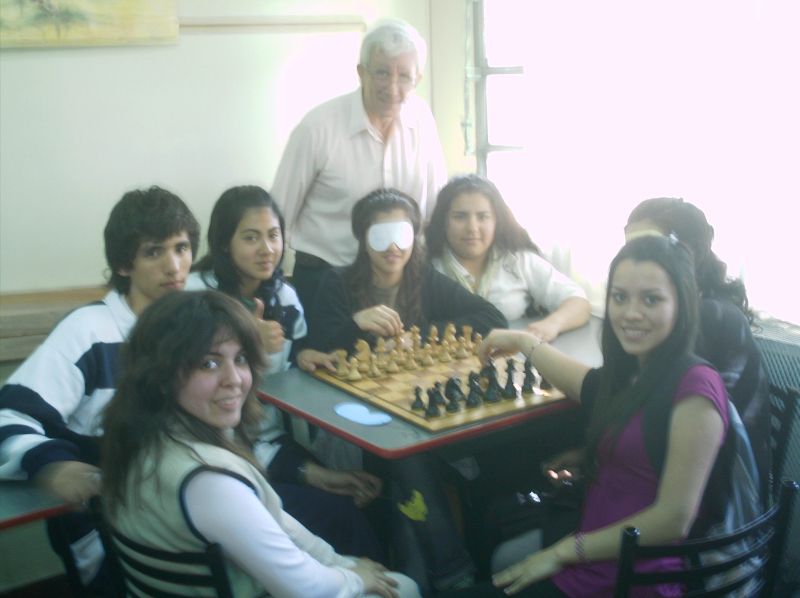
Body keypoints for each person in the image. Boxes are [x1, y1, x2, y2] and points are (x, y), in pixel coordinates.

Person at [447, 235, 732, 597]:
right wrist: (523, 342)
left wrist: (562, 552)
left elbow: (674, 519)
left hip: (632, 579)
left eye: (651, 299)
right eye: (620, 297)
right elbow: (584, 384)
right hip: (592, 552)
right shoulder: (636, 371)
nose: (631, 313)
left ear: (683, 304)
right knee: (496, 522)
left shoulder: (695, 387)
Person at [101, 290, 420, 598]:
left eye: (240, 359)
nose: (235, 379)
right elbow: (306, 589)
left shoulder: (141, 437)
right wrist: (355, 578)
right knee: (403, 587)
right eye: (209, 364)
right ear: (160, 375)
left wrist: (338, 562)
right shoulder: (208, 481)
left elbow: (277, 520)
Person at [305, 187, 508, 594]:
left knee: (411, 461)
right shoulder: (336, 283)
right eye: (380, 236)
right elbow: (316, 350)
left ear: (415, 234)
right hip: (352, 418)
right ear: (363, 239)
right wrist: (356, 324)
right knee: (406, 459)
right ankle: (452, 574)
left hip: (418, 411)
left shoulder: (425, 279)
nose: (393, 247)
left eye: (403, 234)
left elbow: (491, 317)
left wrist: (420, 334)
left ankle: (435, 577)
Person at [0, 187, 199, 592]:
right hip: (106, 526)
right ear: (124, 264)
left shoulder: (192, 324)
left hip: (182, 505)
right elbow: (9, 418)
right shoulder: (88, 331)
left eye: (181, 248)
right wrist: (54, 466)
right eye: (154, 252)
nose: (174, 266)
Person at [187, 184, 384, 559]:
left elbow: (286, 382)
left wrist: (305, 358)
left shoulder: (284, 297)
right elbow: (189, 387)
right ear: (224, 243)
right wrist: (244, 340)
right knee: (341, 515)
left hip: (266, 444)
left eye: (274, 235)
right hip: (212, 458)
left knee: (362, 494)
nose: (266, 249)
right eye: (251, 237)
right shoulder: (194, 295)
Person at [271, 18, 447, 315]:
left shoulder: (423, 120)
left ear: (417, 79)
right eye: (382, 73)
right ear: (361, 72)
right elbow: (277, 217)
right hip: (325, 278)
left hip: (400, 281)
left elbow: (435, 209)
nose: (393, 87)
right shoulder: (317, 127)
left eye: (404, 76)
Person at [624, 197, 770, 489]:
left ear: (688, 250)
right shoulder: (687, 304)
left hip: (722, 484)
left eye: (650, 247)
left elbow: (651, 403)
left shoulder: (709, 316)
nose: (637, 260)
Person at [426, 175, 590, 342]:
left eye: (483, 217)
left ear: (497, 221)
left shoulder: (518, 261)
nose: (472, 228)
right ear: (443, 221)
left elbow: (578, 301)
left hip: (512, 354)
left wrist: (552, 324)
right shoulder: (427, 267)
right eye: (460, 217)